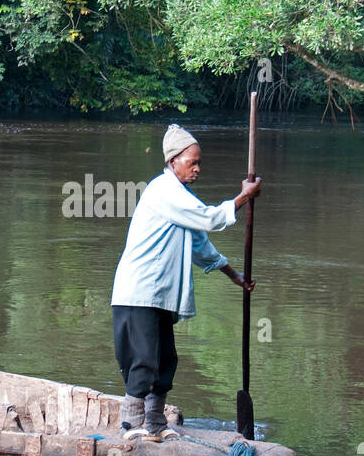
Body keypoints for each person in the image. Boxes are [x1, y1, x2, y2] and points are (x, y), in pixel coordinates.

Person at [111, 124, 261, 440]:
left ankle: (154, 424)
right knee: (145, 359)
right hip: (139, 292)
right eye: (192, 162)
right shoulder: (164, 191)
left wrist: (234, 276)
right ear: (173, 161)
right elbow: (209, 217)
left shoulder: (180, 199)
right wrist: (243, 198)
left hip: (160, 295)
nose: (197, 168)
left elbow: (200, 245)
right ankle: (129, 425)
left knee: (166, 359)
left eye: (198, 162)